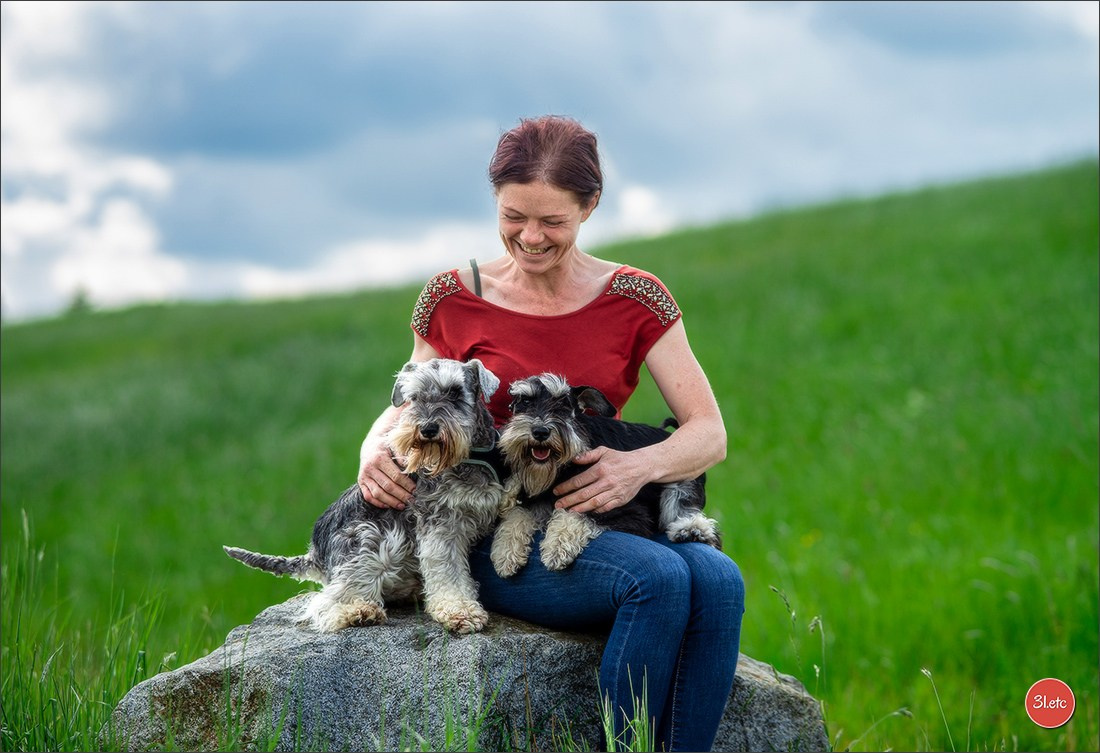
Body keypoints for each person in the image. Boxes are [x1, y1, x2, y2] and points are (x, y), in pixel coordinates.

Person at [357, 115, 745, 752]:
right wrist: (373, 447)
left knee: (721, 581)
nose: (529, 237)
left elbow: (709, 434)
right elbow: (406, 402)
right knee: (658, 579)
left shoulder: (636, 297)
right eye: (513, 216)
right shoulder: (452, 297)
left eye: (552, 222)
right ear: (495, 202)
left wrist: (636, 467)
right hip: (488, 522)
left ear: (590, 207)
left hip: (605, 515)